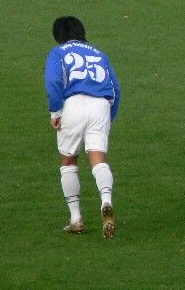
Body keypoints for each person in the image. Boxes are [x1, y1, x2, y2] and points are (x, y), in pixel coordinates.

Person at [44, 16, 121, 238]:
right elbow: (116, 88)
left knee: (68, 161)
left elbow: (53, 81)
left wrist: (55, 112)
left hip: (73, 104)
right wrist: (108, 117)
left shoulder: (58, 53)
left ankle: (76, 218)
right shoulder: (99, 54)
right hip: (101, 105)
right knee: (98, 158)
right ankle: (106, 201)